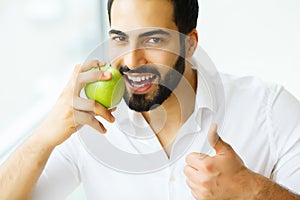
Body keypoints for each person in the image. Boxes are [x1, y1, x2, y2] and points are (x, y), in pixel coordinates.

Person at [0, 0, 299, 199]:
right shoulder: (83, 122)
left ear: (190, 44)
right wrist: (42, 138)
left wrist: (252, 190)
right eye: (119, 39)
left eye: (153, 40)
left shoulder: (269, 109)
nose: (130, 60)